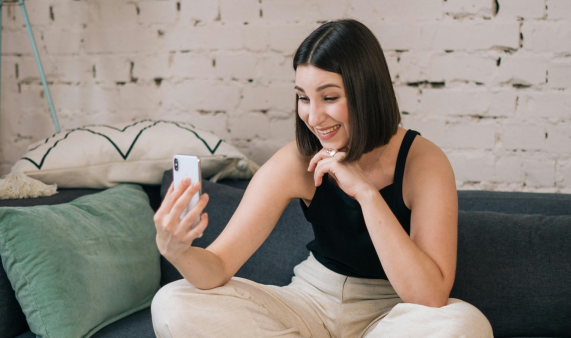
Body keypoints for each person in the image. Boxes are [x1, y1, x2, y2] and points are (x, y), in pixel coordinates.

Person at [151, 19, 494, 338]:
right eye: (303, 97)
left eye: (329, 97)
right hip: (309, 305)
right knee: (174, 300)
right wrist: (177, 252)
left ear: (367, 93)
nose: (313, 117)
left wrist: (365, 193)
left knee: (465, 325)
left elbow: (429, 296)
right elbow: (218, 265)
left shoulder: (424, 162)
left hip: (393, 317)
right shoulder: (296, 160)